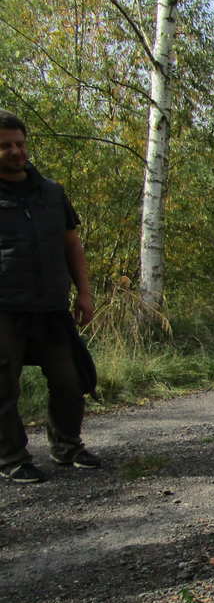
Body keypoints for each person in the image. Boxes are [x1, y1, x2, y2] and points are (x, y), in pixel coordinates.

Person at [0, 110, 100, 483]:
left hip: (50, 305)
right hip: (5, 307)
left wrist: (84, 293)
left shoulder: (51, 192)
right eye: (6, 146)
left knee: (69, 379)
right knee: (4, 385)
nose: (15, 152)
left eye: (20, 144)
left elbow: (71, 244)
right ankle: (12, 457)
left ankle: (67, 446)